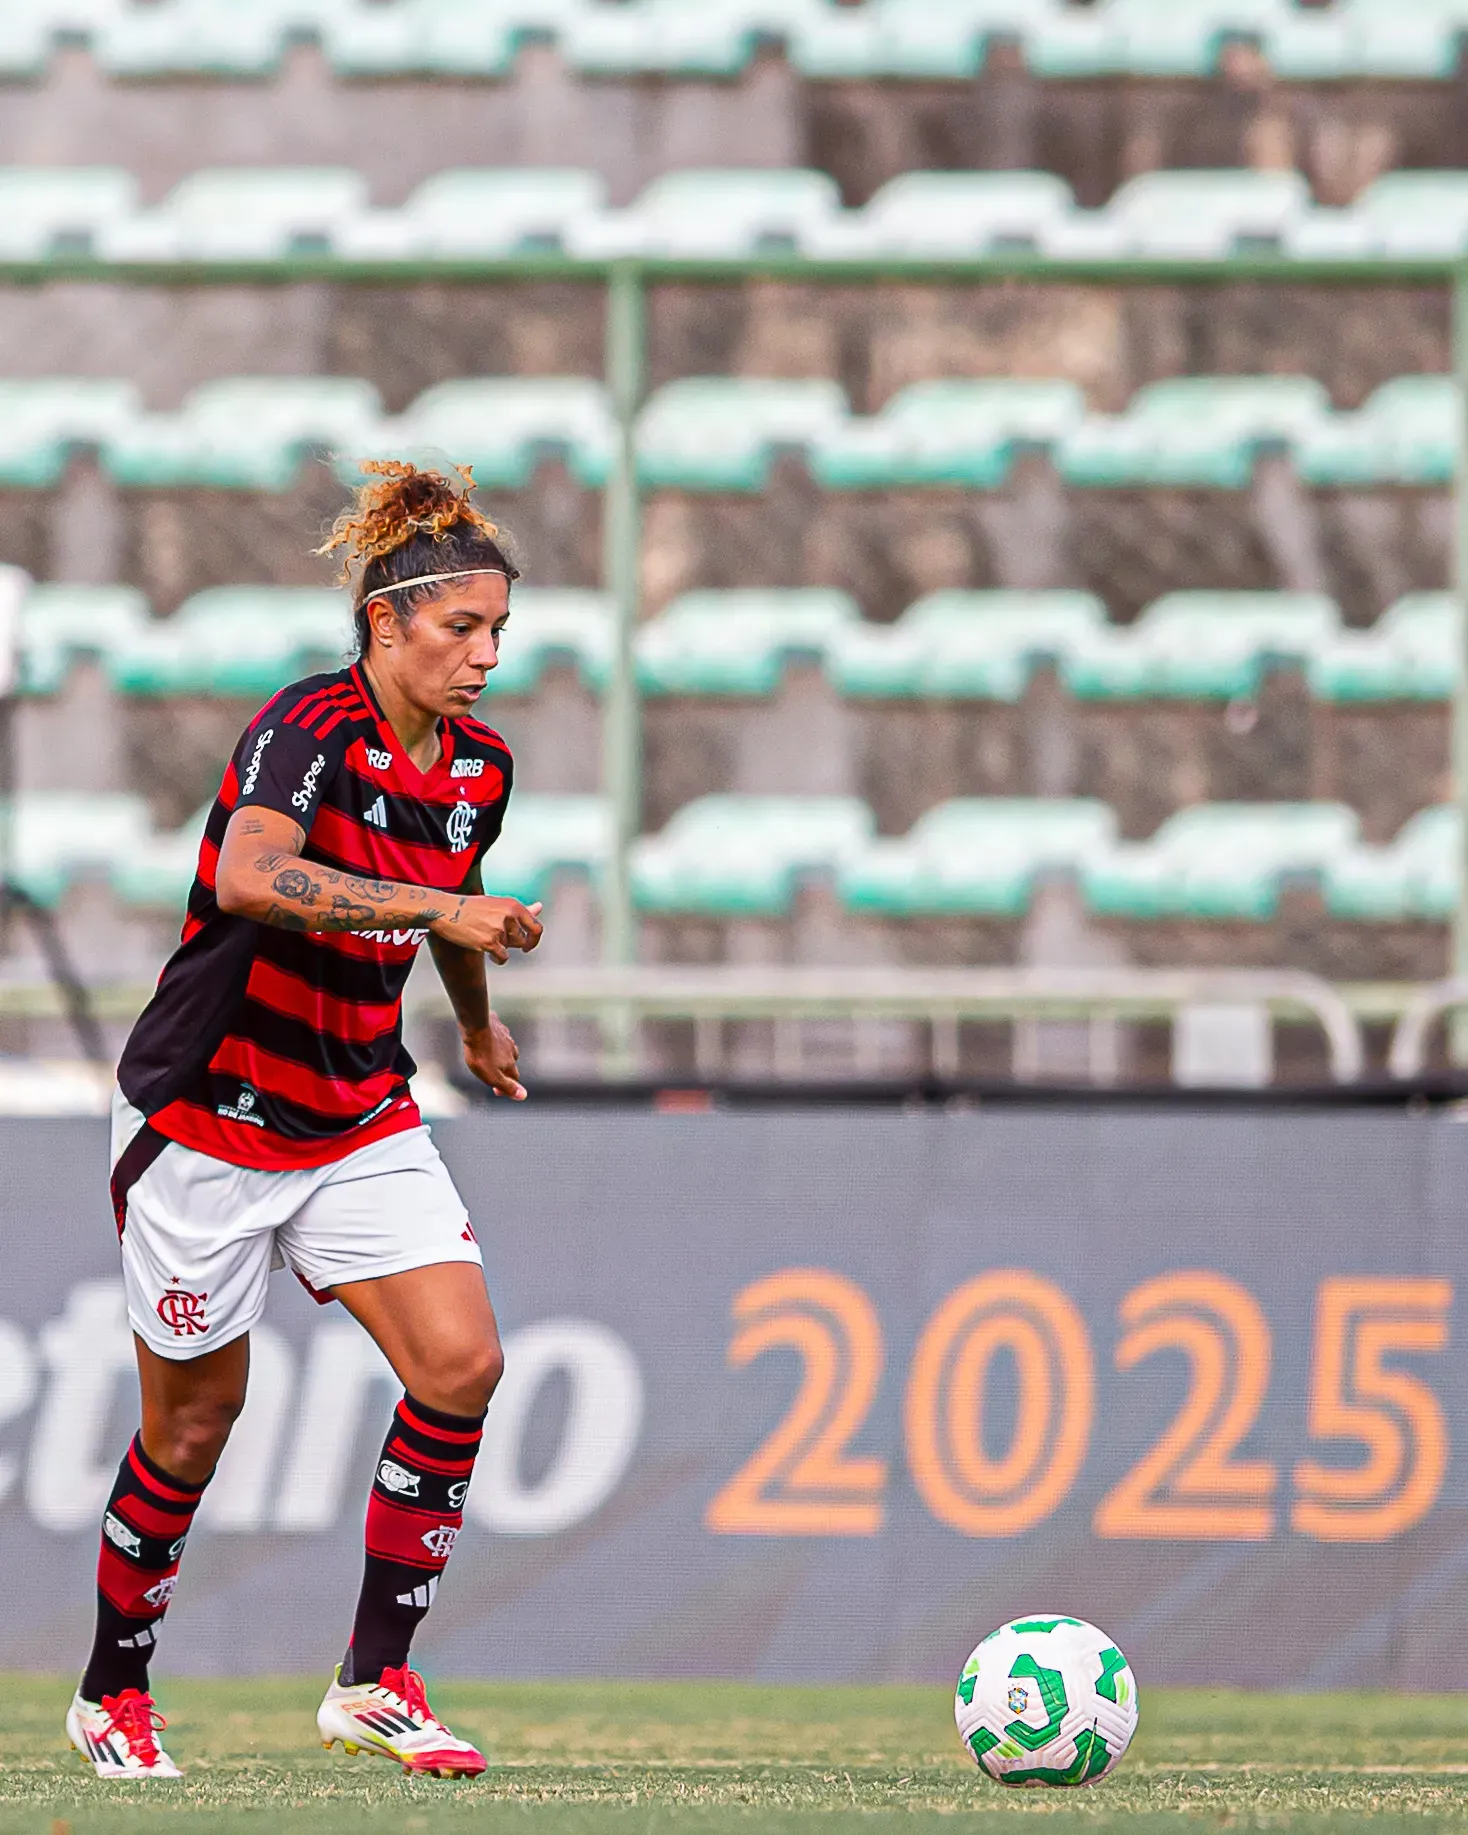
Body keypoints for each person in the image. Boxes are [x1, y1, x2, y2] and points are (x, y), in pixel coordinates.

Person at [66, 460, 544, 1780]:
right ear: (388, 624)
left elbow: (455, 890)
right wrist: (445, 914)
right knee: (192, 1428)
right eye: (463, 628)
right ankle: (111, 1691)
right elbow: (252, 874)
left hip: (356, 1109)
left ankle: (376, 1677)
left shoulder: (480, 768)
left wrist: (476, 1019)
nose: (486, 656)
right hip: (206, 1117)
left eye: (500, 631)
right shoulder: (306, 728)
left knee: (461, 1365)